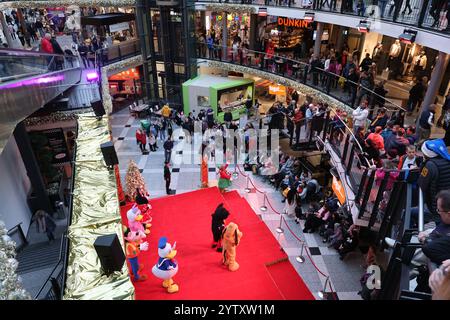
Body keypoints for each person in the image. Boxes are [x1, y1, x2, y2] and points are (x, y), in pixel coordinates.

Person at [417, 139, 450, 223]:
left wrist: (423, 164)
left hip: (439, 206)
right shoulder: (447, 159)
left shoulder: (430, 165)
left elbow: (421, 184)